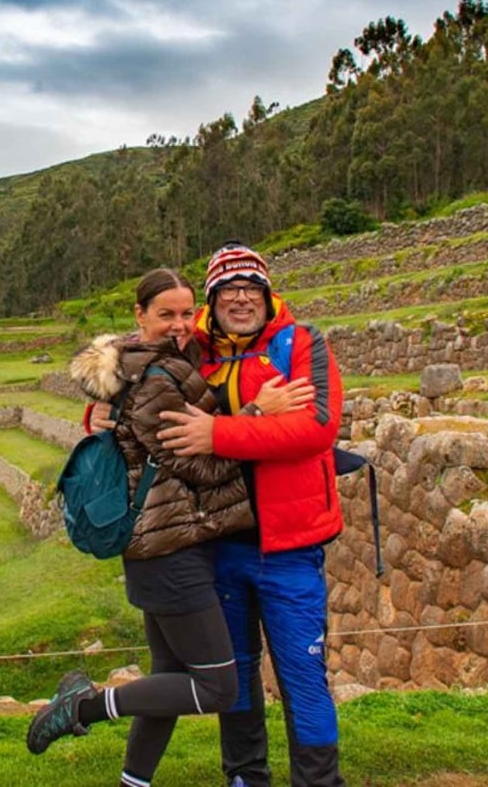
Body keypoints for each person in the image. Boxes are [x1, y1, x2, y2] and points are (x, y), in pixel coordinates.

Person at [27, 267, 309, 787]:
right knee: (217, 688)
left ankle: (133, 782)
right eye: (166, 314)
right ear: (140, 316)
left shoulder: (153, 364)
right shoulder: (157, 379)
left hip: (163, 544)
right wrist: (256, 414)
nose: (180, 325)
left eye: (186, 313)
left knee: (168, 678)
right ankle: (83, 706)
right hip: (170, 553)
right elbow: (200, 463)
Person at [158, 241, 347, 787]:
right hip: (220, 545)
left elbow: (315, 427)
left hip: (291, 545)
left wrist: (218, 433)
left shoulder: (301, 343)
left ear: (267, 295)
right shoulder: (192, 350)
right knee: (236, 675)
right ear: (212, 300)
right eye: (228, 290)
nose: (241, 299)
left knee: (303, 673)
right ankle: (244, 777)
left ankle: (318, 781)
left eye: (251, 288)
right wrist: (96, 411)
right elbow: (135, 384)